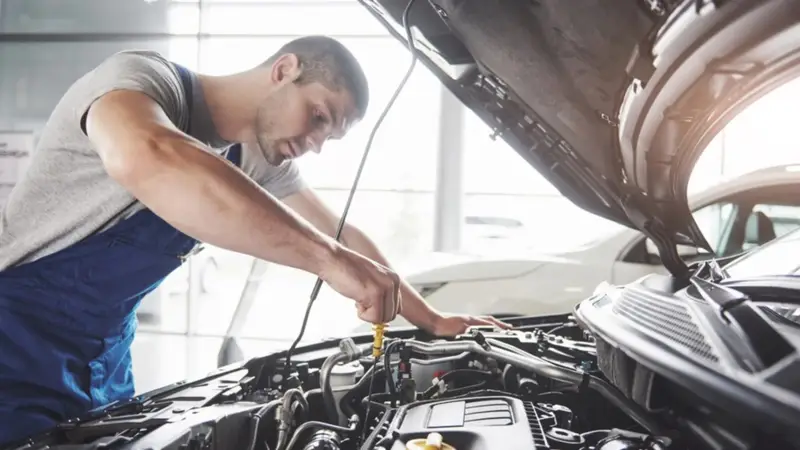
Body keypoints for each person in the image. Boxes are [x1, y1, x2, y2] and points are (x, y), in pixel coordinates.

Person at [0, 35, 508, 444]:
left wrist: (432, 320)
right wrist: (328, 261)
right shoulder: (141, 81)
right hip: (15, 339)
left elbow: (340, 232)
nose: (316, 144)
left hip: (104, 354)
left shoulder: (254, 158)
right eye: (318, 117)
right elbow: (148, 154)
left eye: (329, 137)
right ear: (284, 70)